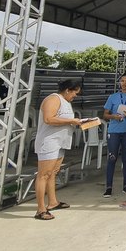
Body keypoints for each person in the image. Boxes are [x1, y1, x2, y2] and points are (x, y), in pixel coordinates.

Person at [33, 79, 82, 220]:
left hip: (60, 142)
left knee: (53, 172)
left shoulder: (66, 102)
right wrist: (71, 121)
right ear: (67, 90)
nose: (75, 96)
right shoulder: (53, 99)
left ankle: (53, 202)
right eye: (75, 93)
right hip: (49, 142)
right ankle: (40, 209)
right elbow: (48, 119)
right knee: (43, 174)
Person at [102, 72, 126, 198]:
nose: (124, 83)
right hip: (114, 130)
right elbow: (105, 114)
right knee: (112, 157)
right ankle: (109, 187)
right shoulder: (112, 97)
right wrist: (113, 116)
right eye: (122, 81)